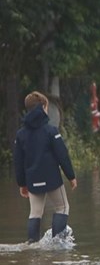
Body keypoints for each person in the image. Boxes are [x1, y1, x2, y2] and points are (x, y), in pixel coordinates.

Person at [13, 91, 78, 243]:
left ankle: (31, 244)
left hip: (32, 180)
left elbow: (18, 161)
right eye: (47, 107)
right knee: (62, 207)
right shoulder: (51, 131)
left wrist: (22, 184)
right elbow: (62, 154)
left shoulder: (20, 135)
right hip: (52, 179)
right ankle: (57, 244)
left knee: (35, 213)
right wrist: (71, 176)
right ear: (43, 108)